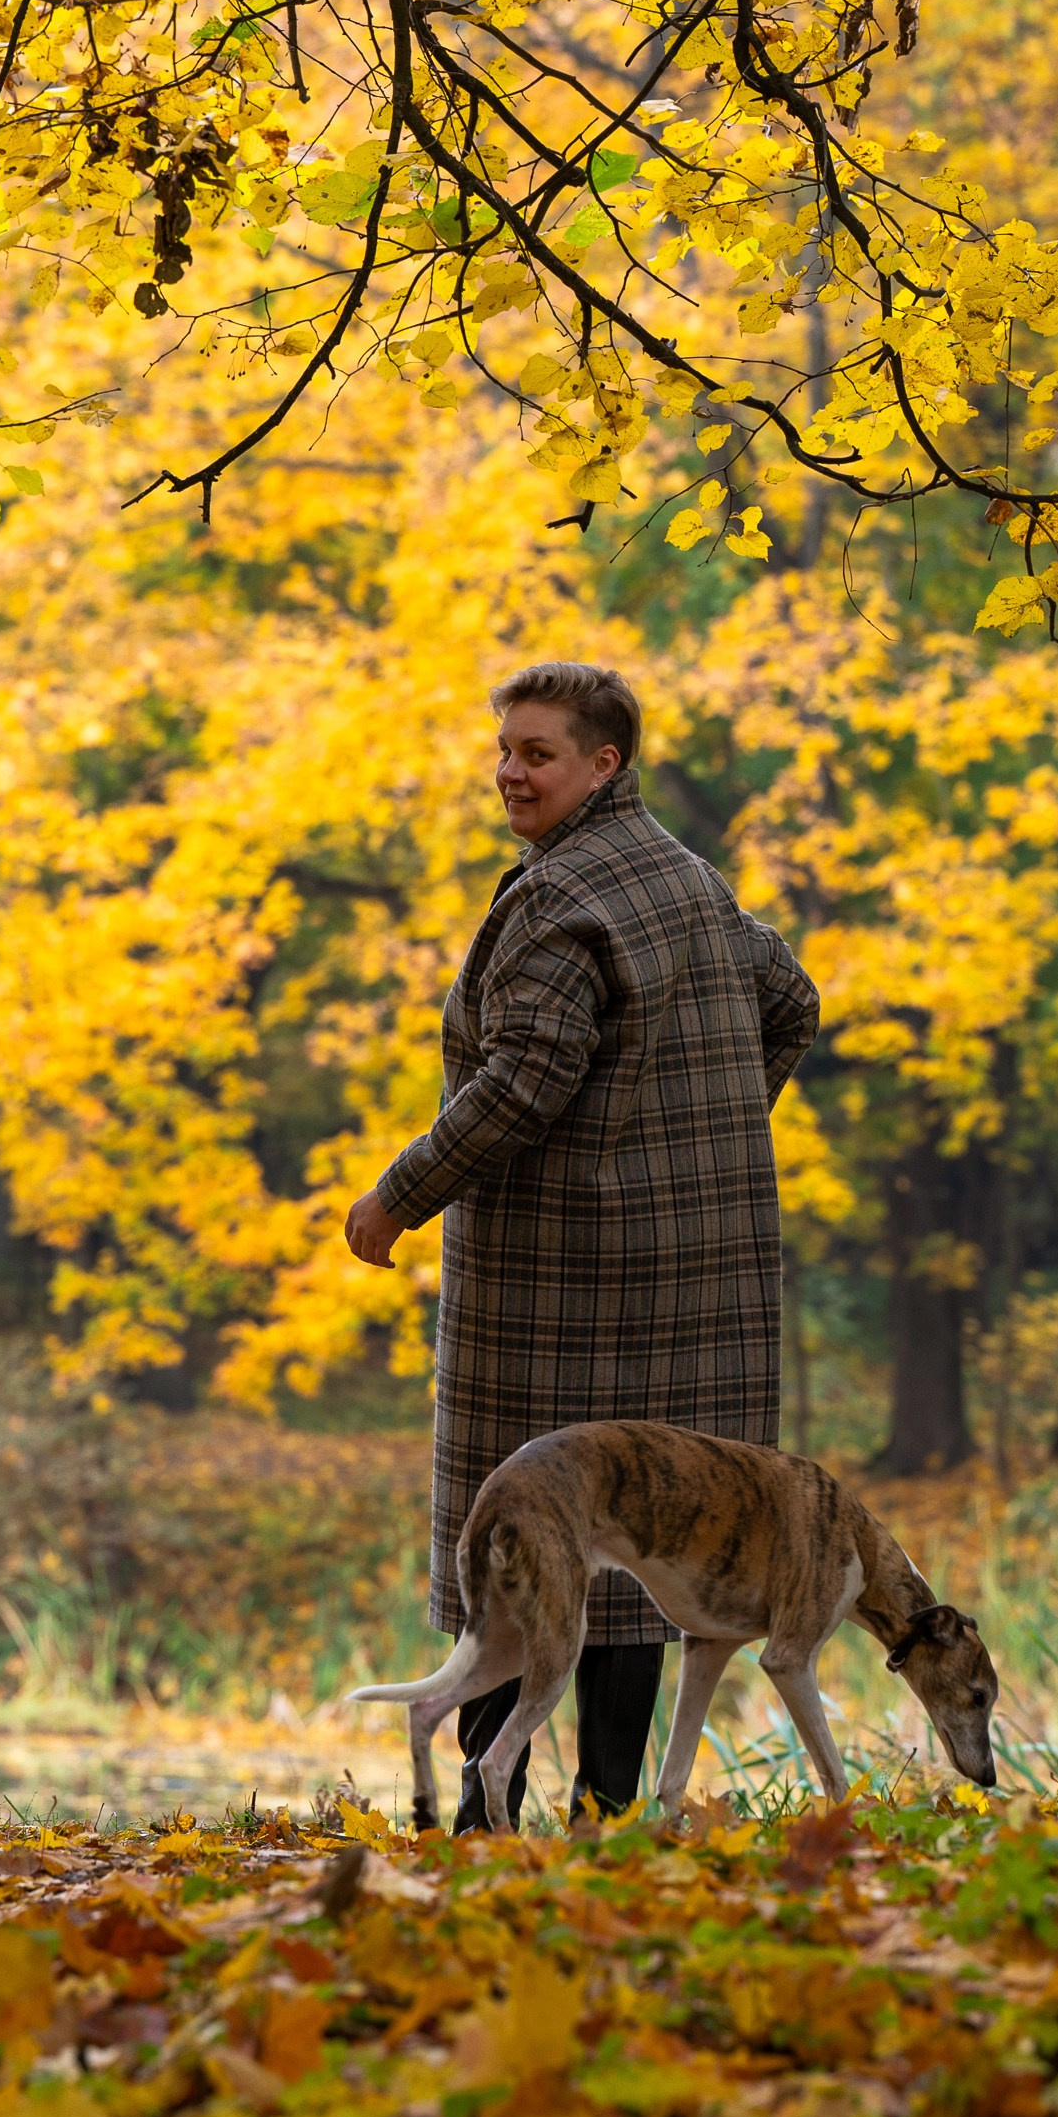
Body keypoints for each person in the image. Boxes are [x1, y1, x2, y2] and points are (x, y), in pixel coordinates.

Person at [345, 659, 819, 1830]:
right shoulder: (691, 881)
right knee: (649, 1540)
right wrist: (697, 1140)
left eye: (539, 753)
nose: (511, 772)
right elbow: (792, 1000)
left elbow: (524, 1080)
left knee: (518, 1529)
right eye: (505, 749)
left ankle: (478, 1814)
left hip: (560, 1288)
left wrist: (401, 1195)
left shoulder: (563, 900)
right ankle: (606, 1810)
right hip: (697, 1277)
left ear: (604, 764)